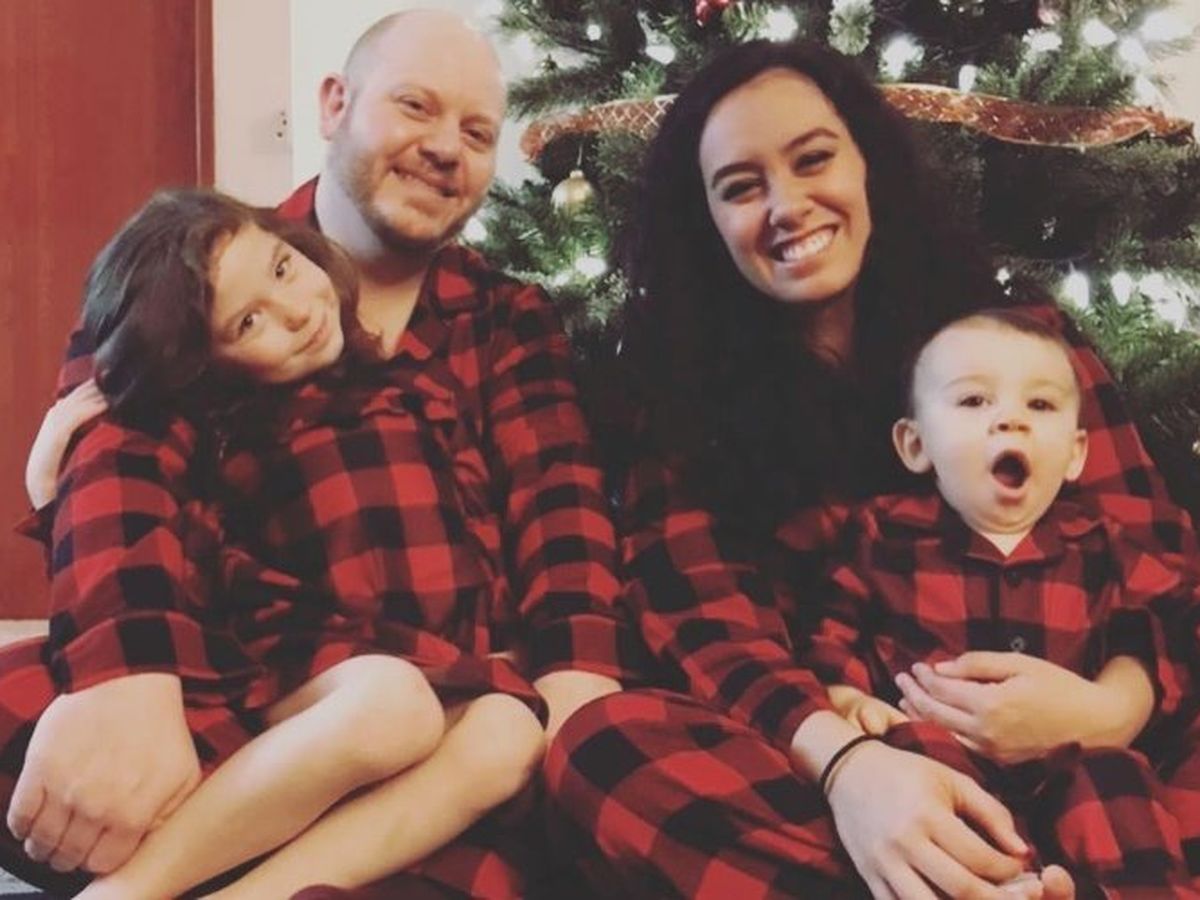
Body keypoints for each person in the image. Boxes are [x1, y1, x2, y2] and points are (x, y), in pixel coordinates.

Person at [543, 39, 1200, 900]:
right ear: (704, 222)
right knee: (601, 746)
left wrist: (1111, 709)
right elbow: (709, 626)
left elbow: (1162, 566)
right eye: (740, 187)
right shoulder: (682, 406)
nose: (787, 206)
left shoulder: (1021, 342)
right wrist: (850, 767)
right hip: (861, 768)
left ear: (867, 165)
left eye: (814, 159)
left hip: (1096, 758)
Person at [2, 9, 634, 899]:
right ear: (335, 103)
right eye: (415, 106)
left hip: (435, 701)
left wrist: (575, 688)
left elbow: (559, 506)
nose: (445, 147)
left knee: (504, 765)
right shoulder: (191, 267)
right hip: (246, 665)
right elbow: (115, 463)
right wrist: (125, 679)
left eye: (477, 133)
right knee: (43, 742)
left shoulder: (504, 320)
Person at [15, 187, 550, 900]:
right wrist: (51, 494)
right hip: (281, 649)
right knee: (392, 705)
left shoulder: (410, 385)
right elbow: (142, 531)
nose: (296, 311)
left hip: (419, 652)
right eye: (248, 322)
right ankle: (131, 891)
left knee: (510, 732)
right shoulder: (225, 423)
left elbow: (476, 518)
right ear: (208, 362)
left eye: (282, 269)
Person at [803, 307, 1195, 895]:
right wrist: (846, 693)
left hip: (1070, 757)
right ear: (916, 444)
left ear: (1076, 454)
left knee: (1118, 778)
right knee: (916, 757)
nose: (1011, 420)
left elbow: (1168, 623)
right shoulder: (885, 534)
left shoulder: (1103, 544)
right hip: (940, 750)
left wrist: (1120, 702)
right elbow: (835, 624)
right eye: (973, 401)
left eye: (1039, 405)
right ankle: (996, 887)